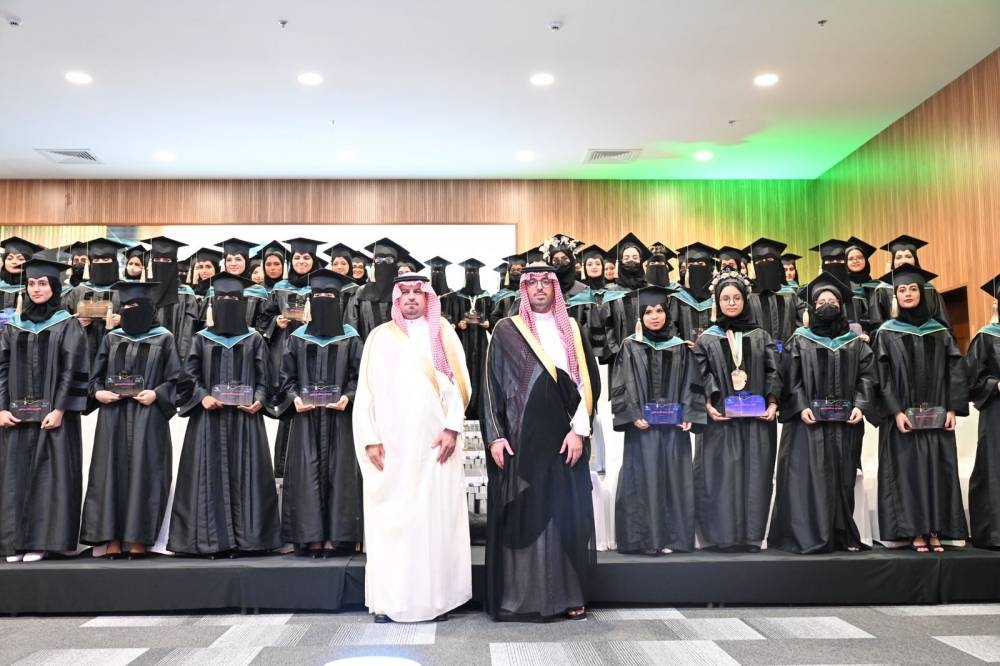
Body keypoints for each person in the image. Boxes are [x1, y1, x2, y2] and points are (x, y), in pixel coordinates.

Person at [481, 264, 601, 621]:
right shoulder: (506, 330)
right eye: (531, 283)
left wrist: (579, 431)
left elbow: (588, 384)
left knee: (566, 517)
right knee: (525, 514)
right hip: (521, 441)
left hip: (565, 440)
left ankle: (569, 596)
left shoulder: (572, 330)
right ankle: (522, 597)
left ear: (555, 289)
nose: (538, 288)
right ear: (523, 289)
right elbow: (491, 386)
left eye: (545, 282)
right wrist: (496, 436)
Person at [353, 274, 471, 623]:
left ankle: (437, 600)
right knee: (394, 522)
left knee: (434, 522)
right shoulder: (380, 337)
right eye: (404, 293)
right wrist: (370, 438)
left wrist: (452, 428)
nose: (411, 298)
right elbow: (366, 391)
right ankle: (390, 602)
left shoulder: (444, 333)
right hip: (392, 447)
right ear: (395, 299)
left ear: (428, 298)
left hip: (436, 446)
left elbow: (460, 385)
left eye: (418, 292)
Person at [168, 273, 280, 557]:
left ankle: (249, 541)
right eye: (221, 299)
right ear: (212, 303)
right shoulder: (201, 339)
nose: (227, 303)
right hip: (209, 419)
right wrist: (202, 396)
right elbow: (188, 377)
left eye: (233, 299)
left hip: (246, 419)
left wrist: (259, 400)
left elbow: (266, 377)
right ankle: (210, 542)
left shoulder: (254, 339)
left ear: (242, 303)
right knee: (208, 475)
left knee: (247, 475)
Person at [769, 273, 877, 554]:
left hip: (845, 423)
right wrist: (801, 405)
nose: (827, 305)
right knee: (807, 477)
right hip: (807, 423)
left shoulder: (855, 342)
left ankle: (841, 533)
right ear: (812, 307)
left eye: (832, 301)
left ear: (841, 306)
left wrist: (860, 405)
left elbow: (867, 377)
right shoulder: (799, 340)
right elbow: (790, 378)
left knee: (842, 476)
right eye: (821, 302)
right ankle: (806, 535)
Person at [81, 281, 181, 559]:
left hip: (148, 415)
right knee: (110, 473)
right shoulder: (112, 338)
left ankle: (139, 538)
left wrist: (157, 394)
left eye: (136, 306)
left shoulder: (164, 338)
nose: (129, 310)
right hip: (113, 415)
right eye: (125, 306)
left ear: (149, 308)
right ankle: (111, 537)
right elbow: (95, 378)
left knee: (145, 472)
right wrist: (98, 393)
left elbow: (176, 379)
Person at [873, 264, 968, 553]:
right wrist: (896, 411)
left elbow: (955, 371)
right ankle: (914, 530)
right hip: (903, 418)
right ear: (895, 296)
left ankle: (935, 529)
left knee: (937, 470)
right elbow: (882, 377)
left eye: (913, 289)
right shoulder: (886, 332)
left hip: (937, 415)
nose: (908, 294)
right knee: (908, 472)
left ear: (923, 293)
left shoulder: (940, 331)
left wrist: (952, 408)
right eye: (902, 290)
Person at [0, 258, 89, 563]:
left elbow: (72, 370)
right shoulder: (14, 325)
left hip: (53, 418)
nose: (36, 289)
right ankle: (15, 542)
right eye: (31, 283)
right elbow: (2, 368)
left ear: (54, 287)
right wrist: (1, 409)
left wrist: (60, 408)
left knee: (48, 477)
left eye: (42, 283)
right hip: (17, 418)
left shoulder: (67, 324)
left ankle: (41, 541)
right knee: (14, 477)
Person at [611, 286, 705, 554]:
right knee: (643, 479)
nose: (654, 316)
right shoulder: (630, 346)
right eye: (649, 312)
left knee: (675, 480)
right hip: (643, 429)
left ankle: (675, 539)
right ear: (640, 316)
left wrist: (689, 413)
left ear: (667, 314)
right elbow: (621, 384)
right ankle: (645, 540)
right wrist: (633, 415)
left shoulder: (680, 347)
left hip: (674, 429)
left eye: (659, 311)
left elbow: (692, 382)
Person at [692, 269, 781, 551]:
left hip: (756, 420)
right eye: (725, 298)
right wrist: (707, 404)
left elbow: (774, 371)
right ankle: (722, 537)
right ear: (717, 302)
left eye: (736, 298)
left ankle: (750, 536)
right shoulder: (707, 339)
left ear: (745, 300)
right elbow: (699, 374)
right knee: (721, 475)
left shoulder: (761, 335)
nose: (731, 303)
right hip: (721, 419)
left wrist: (773, 402)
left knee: (755, 474)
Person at [276, 270, 364, 556]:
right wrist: (294, 399)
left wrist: (349, 397)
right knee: (307, 473)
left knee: (341, 474)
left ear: (338, 301)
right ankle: (310, 536)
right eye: (318, 296)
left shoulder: (351, 338)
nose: (323, 299)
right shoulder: (296, 338)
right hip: (307, 417)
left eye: (329, 296)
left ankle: (338, 537)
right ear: (310, 300)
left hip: (340, 417)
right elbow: (285, 378)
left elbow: (360, 376)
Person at [965, 274, 1000, 548]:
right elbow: (971, 379)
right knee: (995, 467)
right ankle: (995, 532)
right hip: (996, 411)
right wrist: (995, 385)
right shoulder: (986, 337)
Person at [63, 238, 129, 363]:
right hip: (82, 352)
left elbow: (141, 320)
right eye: (96, 260)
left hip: (116, 350)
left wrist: (122, 320)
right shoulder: (78, 291)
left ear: (114, 262)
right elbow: (62, 321)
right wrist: (75, 322)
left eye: (106, 259)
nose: (100, 263)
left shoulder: (125, 290)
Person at [442, 258, 492, 419]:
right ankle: (462, 410)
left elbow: (492, 317)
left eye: (474, 272)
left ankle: (480, 411)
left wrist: (488, 323)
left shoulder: (486, 297)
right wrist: (458, 324)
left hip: (481, 343)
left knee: (481, 374)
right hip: (462, 342)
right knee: (462, 373)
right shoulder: (456, 297)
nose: (472, 274)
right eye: (469, 271)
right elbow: (450, 319)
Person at [868, 235, 950, 329]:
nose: (903, 260)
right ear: (893, 262)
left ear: (915, 259)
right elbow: (876, 325)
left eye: (908, 256)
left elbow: (943, 323)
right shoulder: (882, 290)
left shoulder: (929, 289)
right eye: (898, 257)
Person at [743, 237, 802, 351]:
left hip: (788, 351)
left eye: (769, 259)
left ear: (778, 264)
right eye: (759, 261)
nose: (764, 264)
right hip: (758, 352)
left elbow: (803, 324)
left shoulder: (790, 295)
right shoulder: (749, 297)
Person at [347, 238, 410, 340]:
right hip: (368, 347)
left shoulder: (402, 292)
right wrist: (361, 349)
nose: (383, 263)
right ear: (374, 263)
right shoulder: (360, 293)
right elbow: (352, 327)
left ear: (395, 264)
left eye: (389, 260)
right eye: (379, 259)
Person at [669, 243, 717, 344]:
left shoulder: (718, 295)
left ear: (709, 267)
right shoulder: (678, 296)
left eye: (701, 264)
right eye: (691, 265)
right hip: (686, 350)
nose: (695, 267)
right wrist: (682, 344)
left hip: (715, 349)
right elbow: (671, 326)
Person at [0, 236, 44, 312]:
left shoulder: (37, 287)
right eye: (9, 258)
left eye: (20, 259)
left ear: (29, 262)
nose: (14, 262)